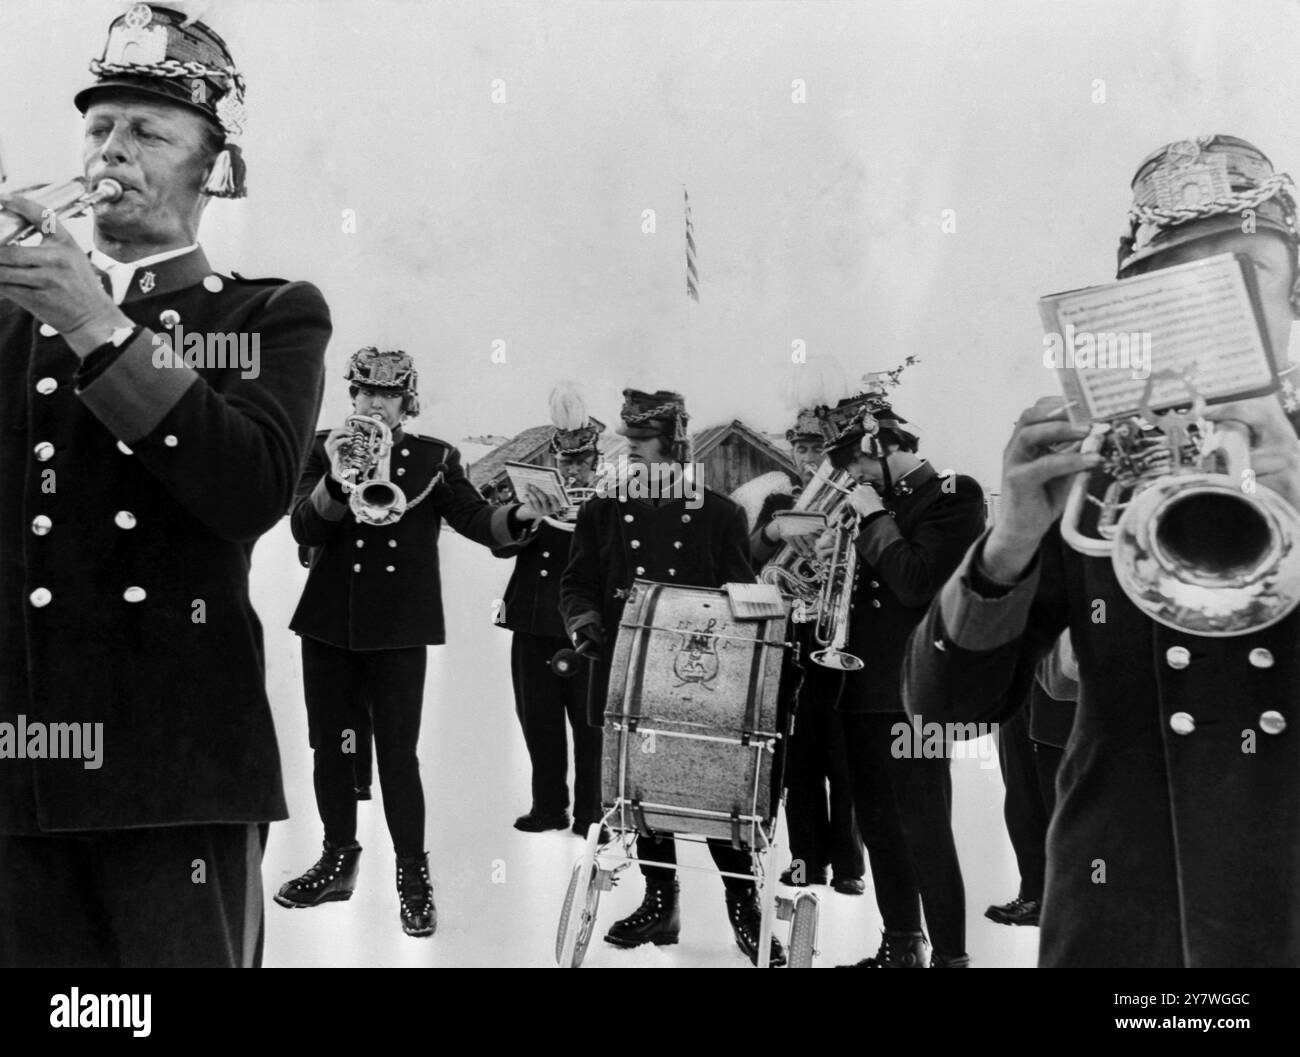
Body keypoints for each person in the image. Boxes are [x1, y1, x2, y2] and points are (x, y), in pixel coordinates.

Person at [904, 135, 1300, 967]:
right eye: (1179, 275)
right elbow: (947, 712)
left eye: (1244, 269)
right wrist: (1008, 542)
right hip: (1124, 915)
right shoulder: (1105, 461)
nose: (1209, 296)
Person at [0, 3, 330, 967]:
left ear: (212, 168)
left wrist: (99, 326)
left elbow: (249, 489)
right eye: (99, 127)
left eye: (148, 130)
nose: (113, 150)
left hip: (178, 777)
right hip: (26, 773)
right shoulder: (15, 323)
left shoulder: (269, 314)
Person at [279, 347, 561, 937]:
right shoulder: (323, 445)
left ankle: (412, 876)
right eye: (364, 392)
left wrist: (522, 515)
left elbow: (477, 521)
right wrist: (338, 478)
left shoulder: (434, 458)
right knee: (330, 748)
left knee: (397, 755)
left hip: (399, 627)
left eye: (387, 395)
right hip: (329, 623)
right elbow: (304, 527)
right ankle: (338, 858)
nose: (374, 402)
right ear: (352, 394)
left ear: (407, 401)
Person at [559, 387, 785, 966]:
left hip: (698, 675)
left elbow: (739, 595)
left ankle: (745, 907)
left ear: (675, 447)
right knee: (640, 787)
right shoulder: (602, 508)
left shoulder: (720, 514)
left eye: (641, 444)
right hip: (624, 666)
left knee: (708, 790)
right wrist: (584, 623)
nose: (628, 454)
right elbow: (577, 581)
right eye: (627, 443)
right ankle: (661, 901)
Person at [792, 380, 985, 968]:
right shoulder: (877, 506)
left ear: (879, 445)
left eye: (852, 466)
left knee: (925, 827)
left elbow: (918, 580)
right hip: (861, 688)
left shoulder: (953, 494)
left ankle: (951, 956)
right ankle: (902, 945)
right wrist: (823, 567)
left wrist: (874, 520)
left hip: (921, 693)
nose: (848, 481)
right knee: (878, 826)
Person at [750, 408, 866, 895]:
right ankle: (806, 862)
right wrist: (775, 532)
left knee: (844, 756)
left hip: (840, 636)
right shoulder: (779, 500)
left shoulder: (857, 499)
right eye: (800, 446)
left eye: (817, 447)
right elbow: (750, 557)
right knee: (796, 755)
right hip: (791, 638)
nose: (807, 456)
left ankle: (849, 867)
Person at [493, 384, 604, 837]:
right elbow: (501, 545)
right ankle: (548, 806)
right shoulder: (534, 497)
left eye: (580, 462)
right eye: (565, 462)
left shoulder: (610, 502)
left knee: (590, 725)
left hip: (588, 630)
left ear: (596, 462)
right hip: (533, 622)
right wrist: (529, 514)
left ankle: (591, 813)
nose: (572, 469)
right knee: (538, 720)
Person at [986, 633, 1077, 928]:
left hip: (1063, 674)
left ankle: (1071, 901)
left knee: (1062, 807)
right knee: (1021, 795)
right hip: (1018, 674)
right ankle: (1034, 894)